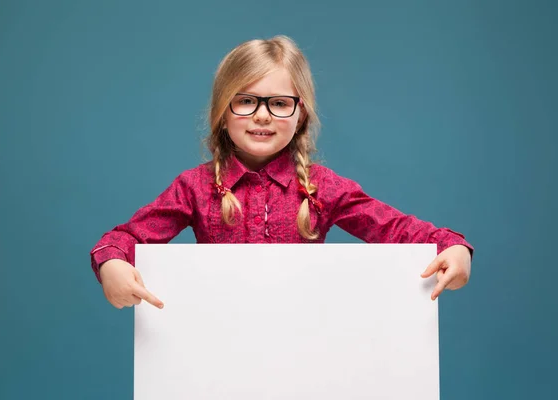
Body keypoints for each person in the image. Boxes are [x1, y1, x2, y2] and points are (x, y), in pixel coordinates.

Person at [90, 35, 474, 310]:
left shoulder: (323, 188)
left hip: (304, 341)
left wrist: (452, 246)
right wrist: (113, 264)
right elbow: (123, 238)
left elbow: (398, 230)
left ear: (300, 114)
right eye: (245, 101)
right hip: (218, 340)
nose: (261, 115)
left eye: (278, 103)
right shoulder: (195, 187)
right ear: (223, 113)